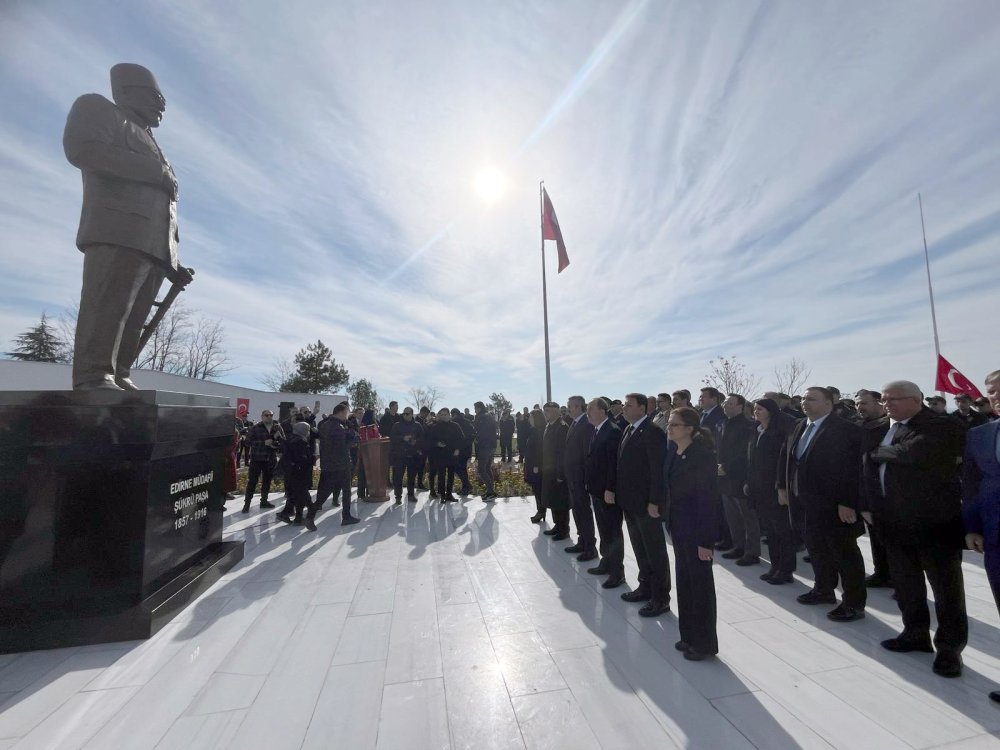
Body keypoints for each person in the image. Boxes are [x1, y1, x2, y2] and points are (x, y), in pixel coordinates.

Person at [63, 63, 191, 391]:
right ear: (124, 92)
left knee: (134, 319)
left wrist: (172, 258)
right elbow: (83, 150)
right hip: (117, 231)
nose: (161, 105)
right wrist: (155, 172)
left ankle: (119, 372)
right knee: (108, 306)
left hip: (154, 246)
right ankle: (94, 375)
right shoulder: (99, 109)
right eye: (154, 97)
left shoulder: (152, 141)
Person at [867, 380, 967, 678]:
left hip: (934, 523)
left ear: (915, 399)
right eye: (884, 400)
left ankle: (950, 649)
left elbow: (914, 453)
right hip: (894, 522)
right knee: (907, 585)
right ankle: (915, 633)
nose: (887, 405)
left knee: (946, 590)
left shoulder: (939, 423)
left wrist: (881, 452)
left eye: (893, 399)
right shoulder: (885, 427)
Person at [778, 387, 866, 622]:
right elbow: (787, 457)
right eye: (804, 399)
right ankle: (823, 589)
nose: (805, 403)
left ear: (829, 403)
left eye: (812, 399)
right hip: (804, 501)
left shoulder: (845, 429)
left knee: (844, 553)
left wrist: (847, 502)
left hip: (834, 505)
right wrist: (783, 486)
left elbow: (853, 469)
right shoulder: (799, 425)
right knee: (816, 548)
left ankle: (853, 603)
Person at [664, 407, 721, 660]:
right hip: (679, 528)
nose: (670, 428)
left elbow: (707, 501)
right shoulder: (675, 452)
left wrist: (705, 541)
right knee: (685, 584)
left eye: (675, 424)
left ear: (689, 429)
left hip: (697, 531)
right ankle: (688, 636)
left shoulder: (702, 456)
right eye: (669, 424)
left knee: (700, 587)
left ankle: (704, 643)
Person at [962, 370, 1000, 699]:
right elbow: (971, 486)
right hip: (995, 535)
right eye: (991, 392)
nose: (996, 396)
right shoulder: (980, 435)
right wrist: (972, 526)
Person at [617, 393, 671, 617]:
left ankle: (660, 598)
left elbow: (658, 471)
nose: (624, 409)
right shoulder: (629, 429)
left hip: (646, 504)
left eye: (629, 405)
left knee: (655, 551)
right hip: (630, 502)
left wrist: (654, 501)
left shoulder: (652, 432)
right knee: (640, 548)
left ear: (642, 408)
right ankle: (645, 587)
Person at [747, 399, 795, 584]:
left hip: (774, 488)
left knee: (782, 530)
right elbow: (751, 460)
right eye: (754, 409)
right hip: (759, 488)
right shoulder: (756, 431)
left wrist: (781, 486)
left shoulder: (780, 433)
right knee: (770, 532)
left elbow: (782, 462)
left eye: (760, 409)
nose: (756, 412)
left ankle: (786, 569)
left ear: (771, 411)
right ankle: (775, 566)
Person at [583, 398, 625, 586]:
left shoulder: (612, 431)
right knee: (604, 530)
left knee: (613, 531)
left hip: (607, 492)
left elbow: (613, 465)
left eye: (591, 409)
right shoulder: (598, 430)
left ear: (602, 411)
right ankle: (606, 562)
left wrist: (610, 488)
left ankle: (617, 572)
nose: (588, 413)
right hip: (597, 490)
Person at [855, 389, 893, 589]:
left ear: (879, 403)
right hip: (866, 490)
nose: (860, 408)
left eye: (864, 404)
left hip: (888, 490)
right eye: (858, 404)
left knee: (894, 541)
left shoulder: (890, 426)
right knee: (875, 536)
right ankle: (882, 573)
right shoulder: (857, 427)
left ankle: (901, 579)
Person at [717, 394, 758, 565]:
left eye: (730, 403)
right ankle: (738, 546)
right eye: (725, 402)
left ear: (741, 406)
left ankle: (752, 552)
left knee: (748, 517)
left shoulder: (748, 426)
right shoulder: (723, 423)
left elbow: (745, 453)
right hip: (723, 477)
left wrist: (726, 466)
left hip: (740, 477)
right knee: (732, 515)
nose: (725, 405)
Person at [563, 395, 597, 561]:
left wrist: (585, 480)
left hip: (580, 478)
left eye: (570, 406)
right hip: (572, 477)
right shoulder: (575, 423)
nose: (568, 409)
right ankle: (582, 541)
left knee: (583, 512)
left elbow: (586, 454)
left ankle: (590, 547)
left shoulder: (586, 425)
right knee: (577, 510)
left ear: (578, 407)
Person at [315, 403, 359, 525]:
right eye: (346, 413)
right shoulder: (338, 427)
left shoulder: (324, 425)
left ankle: (310, 514)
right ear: (341, 412)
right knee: (346, 490)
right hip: (341, 462)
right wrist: (351, 433)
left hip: (328, 462)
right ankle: (346, 516)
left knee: (327, 490)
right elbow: (350, 437)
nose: (347, 415)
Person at [277, 421, 318, 531]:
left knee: (297, 494)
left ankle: (289, 514)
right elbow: (302, 459)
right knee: (301, 494)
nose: (309, 432)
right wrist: (313, 458)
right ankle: (298, 518)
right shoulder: (301, 441)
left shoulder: (290, 438)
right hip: (299, 472)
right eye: (308, 430)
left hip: (290, 472)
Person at [242, 410, 284, 513]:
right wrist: (263, 443)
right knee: (252, 481)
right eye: (266, 415)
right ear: (262, 416)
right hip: (257, 458)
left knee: (267, 481)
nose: (269, 417)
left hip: (270, 458)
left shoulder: (277, 427)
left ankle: (264, 501)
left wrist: (276, 443)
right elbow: (247, 442)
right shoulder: (255, 428)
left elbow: (283, 442)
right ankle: (247, 504)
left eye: (271, 415)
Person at [541, 402, 571, 540]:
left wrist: (560, 473)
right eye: (545, 410)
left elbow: (562, 453)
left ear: (557, 412)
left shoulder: (562, 427)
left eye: (548, 410)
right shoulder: (549, 425)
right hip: (549, 470)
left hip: (557, 472)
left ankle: (563, 529)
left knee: (560, 501)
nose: (545, 413)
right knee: (553, 499)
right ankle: (557, 525)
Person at [389, 407, 424, 504]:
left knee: (411, 477)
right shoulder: (397, 425)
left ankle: (411, 495)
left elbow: (423, 439)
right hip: (399, 455)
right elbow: (392, 438)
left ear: (412, 414)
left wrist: (415, 442)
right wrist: (403, 438)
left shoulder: (417, 425)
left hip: (413, 455)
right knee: (398, 477)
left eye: (407, 414)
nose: (405, 415)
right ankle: (398, 496)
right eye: (404, 413)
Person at [429, 409, 463, 502]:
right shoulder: (435, 427)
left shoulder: (455, 426)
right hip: (440, 455)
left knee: (451, 476)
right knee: (441, 476)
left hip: (452, 454)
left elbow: (461, 439)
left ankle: (449, 495)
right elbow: (430, 440)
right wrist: (437, 443)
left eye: (445, 414)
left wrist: (457, 449)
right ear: (440, 416)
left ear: (449, 415)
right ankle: (442, 496)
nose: (444, 416)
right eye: (442, 414)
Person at [524, 409, 547, 522]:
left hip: (536, 467)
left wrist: (537, 465)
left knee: (538, 490)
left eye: (531, 417)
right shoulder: (534, 430)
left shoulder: (539, 431)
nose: (529, 419)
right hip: (531, 465)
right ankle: (540, 511)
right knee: (536, 489)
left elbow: (539, 450)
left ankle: (541, 511)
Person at [473, 401, 499, 501]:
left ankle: (491, 492)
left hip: (485, 446)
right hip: (491, 445)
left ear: (479, 407)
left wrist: (477, 438)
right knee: (487, 469)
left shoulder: (482, 417)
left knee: (481, 469)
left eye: (475, 408)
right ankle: (490, 491)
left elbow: (483, 432)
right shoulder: (489, 415)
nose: (474, 410)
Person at [452, 408, 475, 495]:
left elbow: (460, 438)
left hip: (460, 451)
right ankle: (466, 487)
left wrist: (460, 448)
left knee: (458, 468)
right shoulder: (467, 422)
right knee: (462, 468)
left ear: (455, 414)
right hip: (466, 450)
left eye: (452, 415)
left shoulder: (458, 423)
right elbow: (472, 435)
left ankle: (467, 486)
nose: (451, 417)